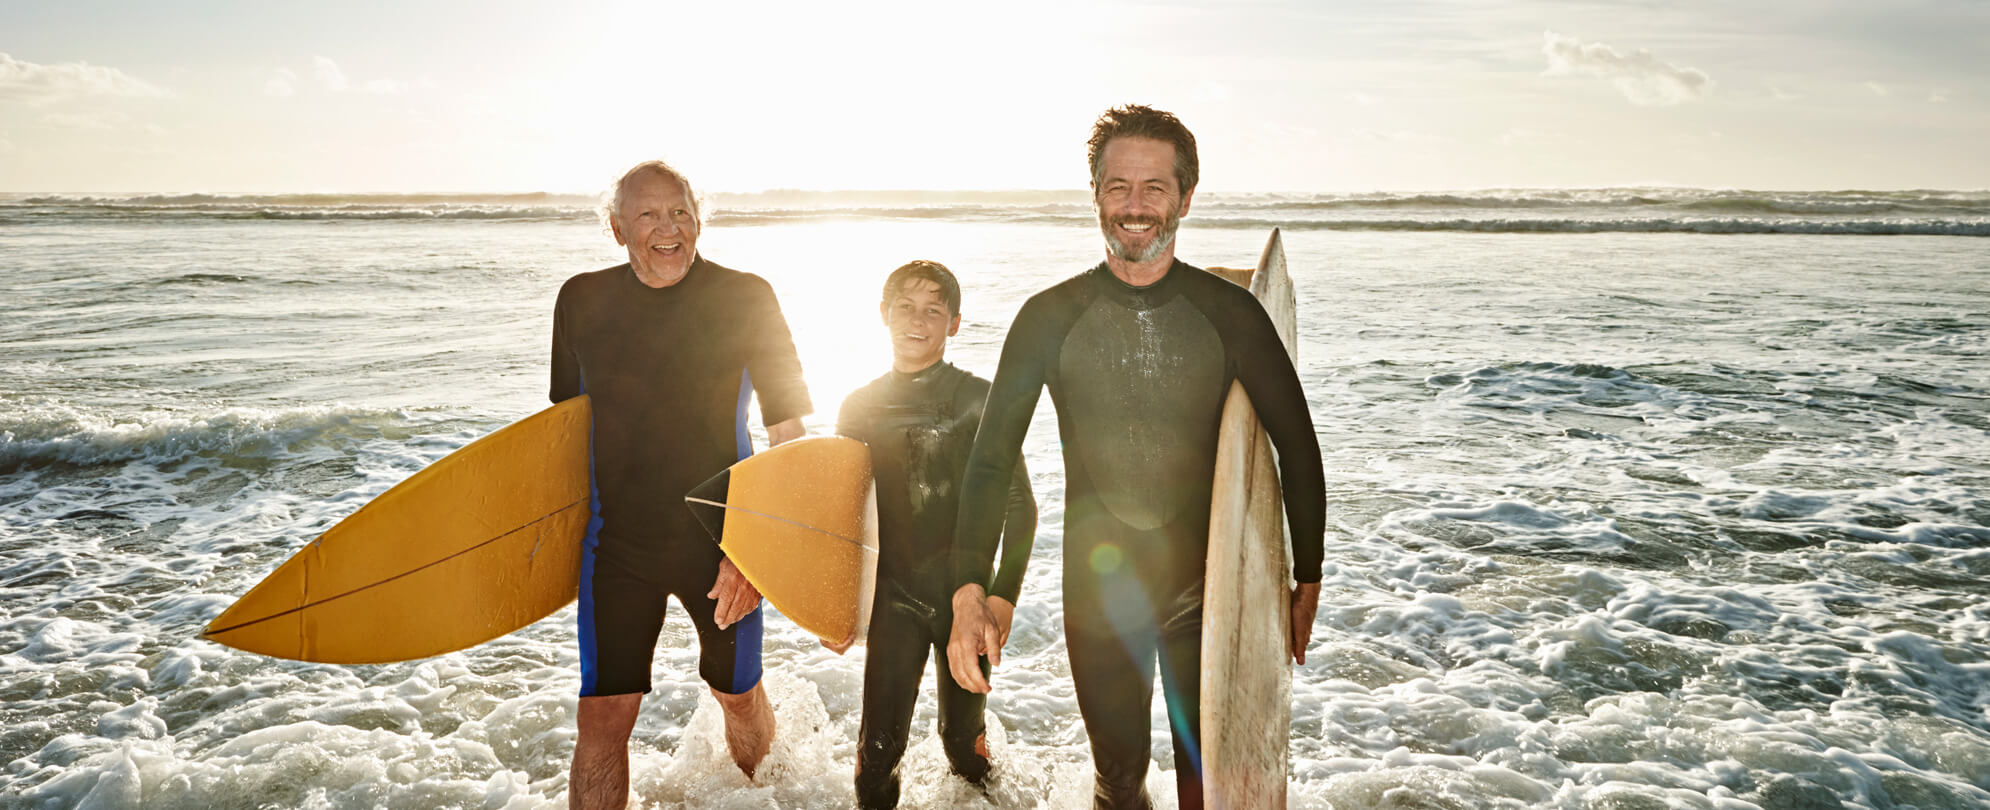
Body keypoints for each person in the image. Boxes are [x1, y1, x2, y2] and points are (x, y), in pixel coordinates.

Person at [943, 105, 1327, 809]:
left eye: (1155, 188)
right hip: (1101, 596)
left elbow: (1296, 446)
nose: (1136, 207)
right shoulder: (1048, 318)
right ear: (1095, 194)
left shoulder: (1232, 316)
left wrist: (1306, 579)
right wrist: (972, 588)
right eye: (1118, 187)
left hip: (1204, 592)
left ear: (1185, 196)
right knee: (1118, 782)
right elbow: (992, 459)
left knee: (1205, 786)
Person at [550, 160, 811, 810]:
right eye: (648, 215)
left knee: (738, 695)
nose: (669, 229)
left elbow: (790, 437)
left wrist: (755, 554)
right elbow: (560, 436)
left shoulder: (746, 296)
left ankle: (769, 799)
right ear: (616, 228)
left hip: (723, 544)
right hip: (616, 547)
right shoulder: (580, 300)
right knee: (603, 714)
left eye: (681, 212)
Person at [834, 260, 1037, 809]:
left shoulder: (979, 399)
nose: (917, 320)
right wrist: (834, 605)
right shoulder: (858, 407)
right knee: (876, 753)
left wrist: (1002, 597)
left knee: (961, 746)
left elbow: (1022, 508)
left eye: (933, 310)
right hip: (893, 599)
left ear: (954, 323)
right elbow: (842, 516)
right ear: (883, 315)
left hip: (965, 601)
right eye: (905, 306)